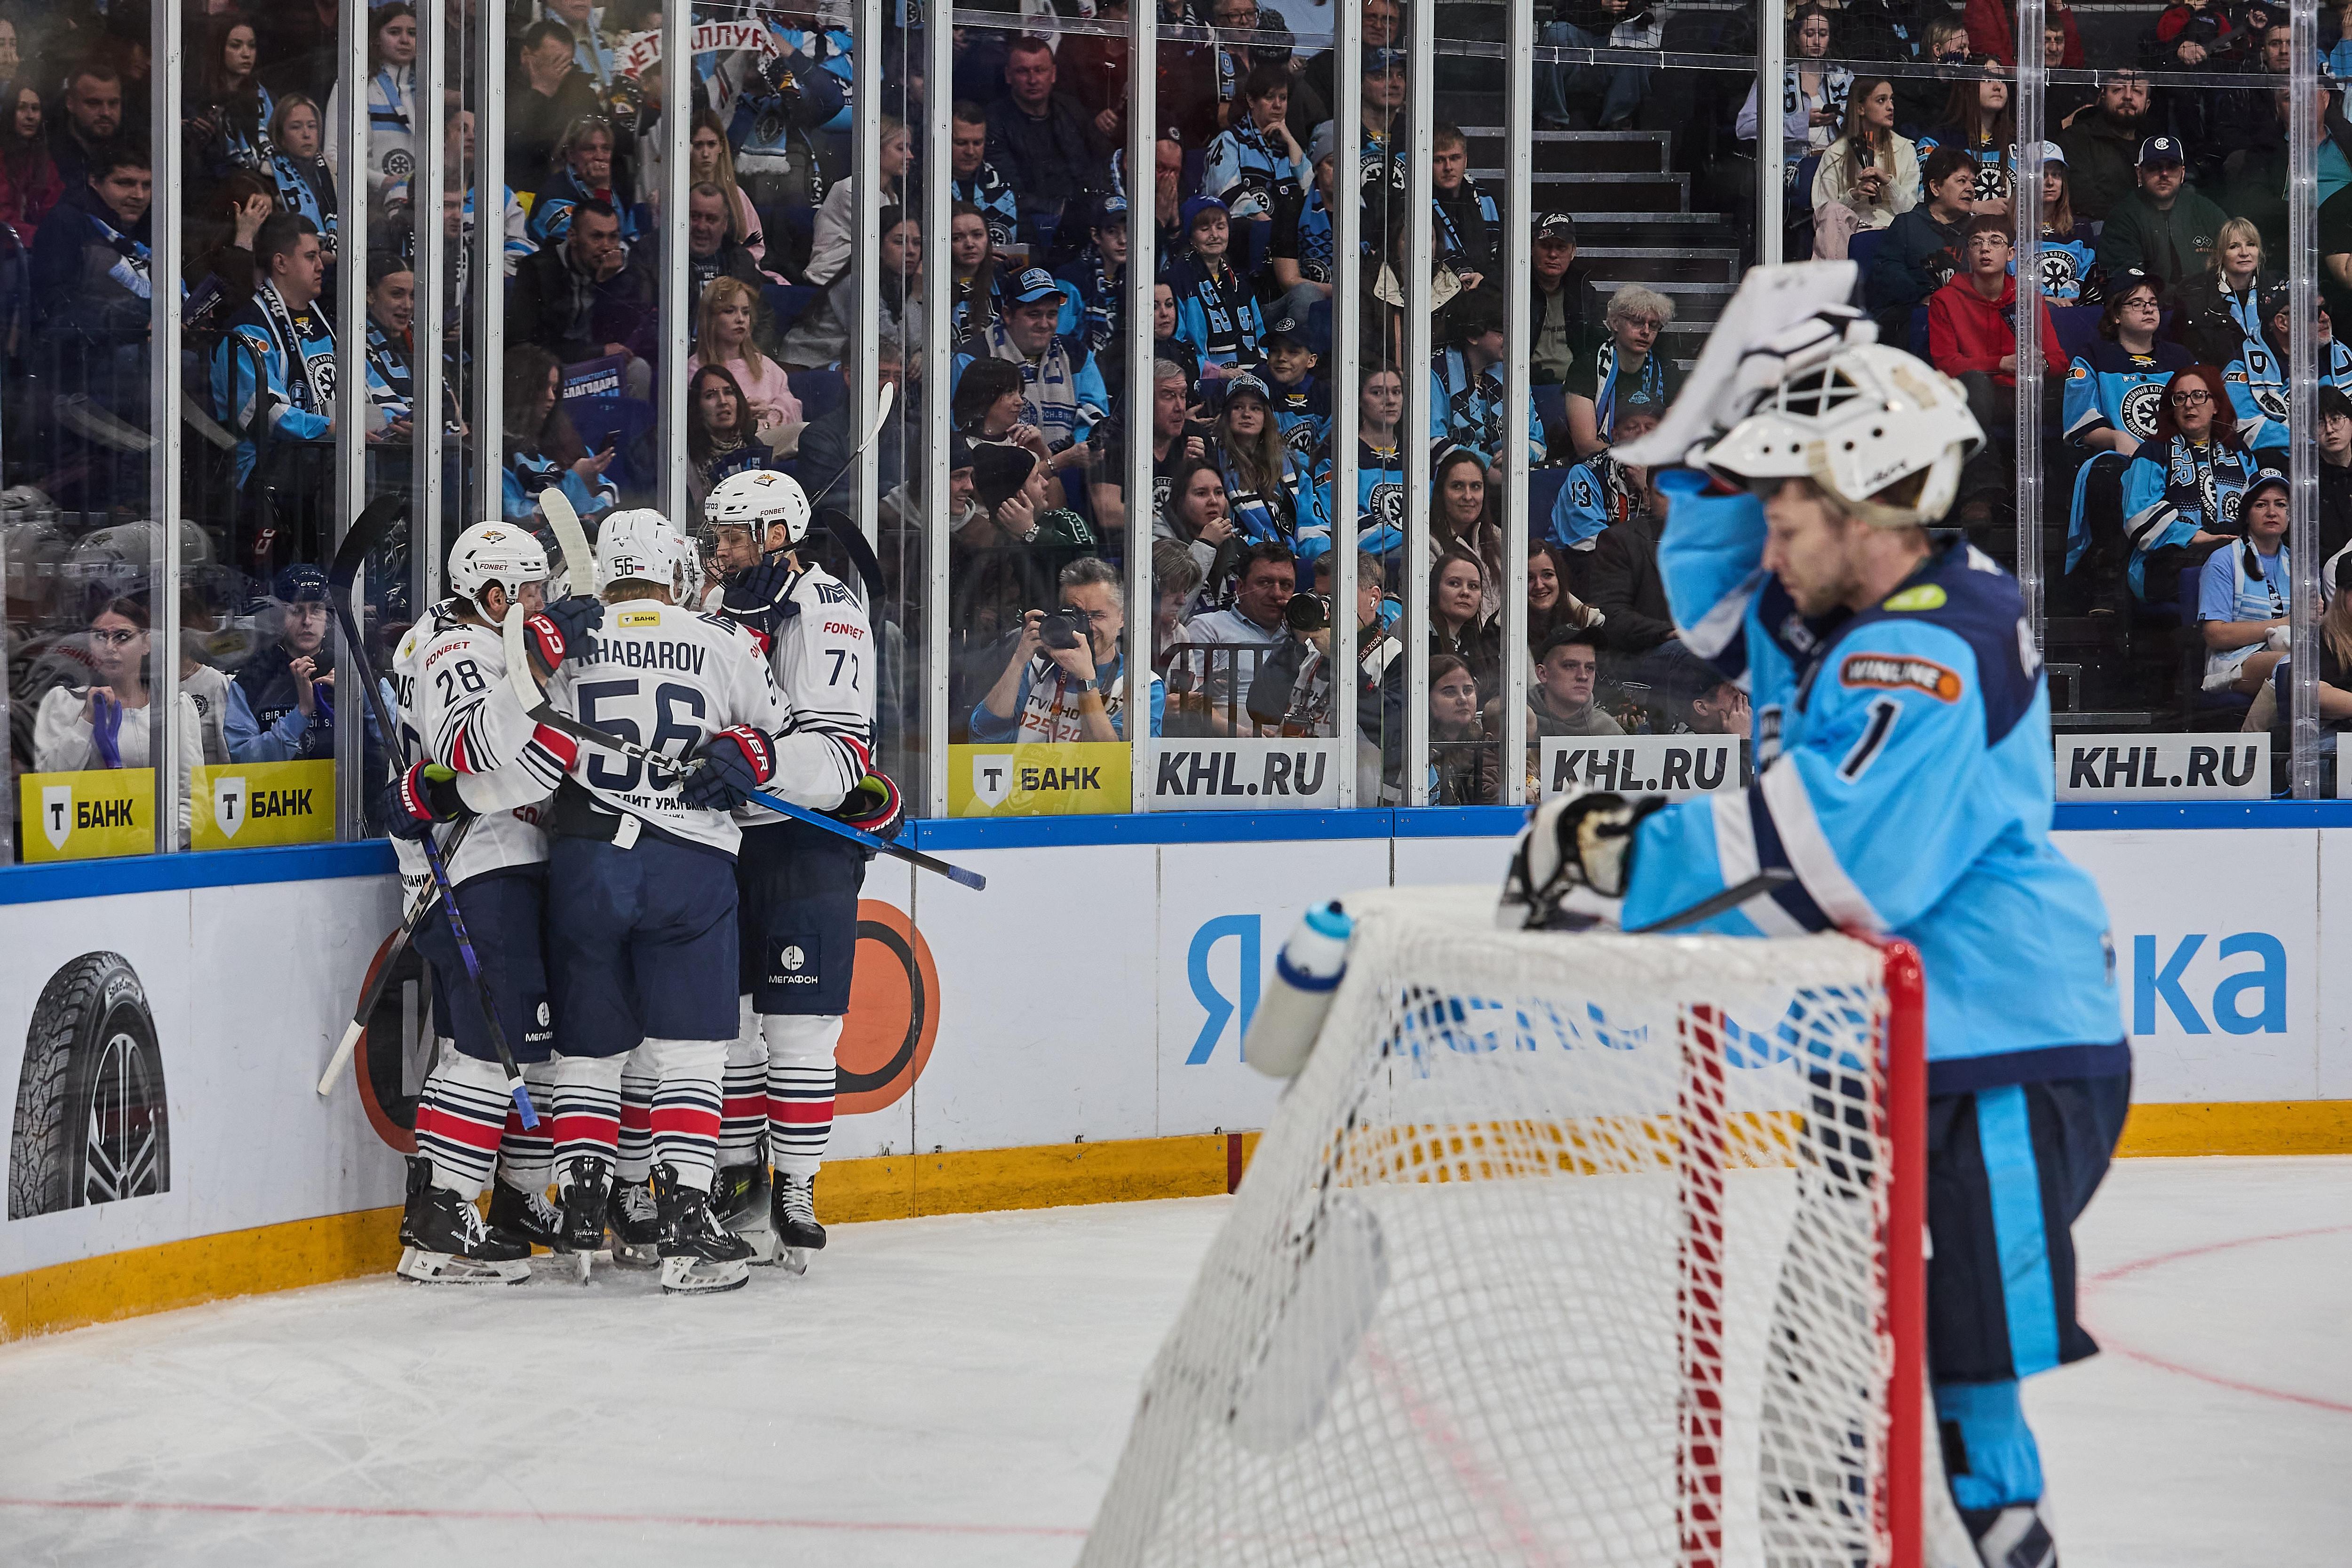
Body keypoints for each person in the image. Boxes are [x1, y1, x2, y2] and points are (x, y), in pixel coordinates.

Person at [1506, 311, 2124, 1568]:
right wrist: (1724, 430)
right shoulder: (1836, 597)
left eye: (1787, 521)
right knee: (1834, 1363)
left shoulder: (1935, 637)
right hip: (1886, 1048)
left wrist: (1613, 857)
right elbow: (1709, 585)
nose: (1767, 547)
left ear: (1868, 512)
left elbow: (1835, 863)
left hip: (1999, 1051)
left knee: (1962, 1375)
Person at [527, 509, 810, 1296]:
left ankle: (582, 1215)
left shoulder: (570, 639)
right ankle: (685, 1221)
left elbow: (518, 733)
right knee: (690, 1053)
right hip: (689, 861)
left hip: (586, 857)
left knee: (589, 1048)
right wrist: (747, 750)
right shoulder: (721, 640)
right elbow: (779, 737)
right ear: (673, 570)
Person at [690, 471, 898, 1268]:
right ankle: (739, 1176)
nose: (720, 549)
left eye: (734, 535)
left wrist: (760, 760)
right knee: (732, 1024)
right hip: (719, 839)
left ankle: (798, 1186)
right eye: (718, 535)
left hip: (803, 843)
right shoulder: (716, 605)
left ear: (778, 535)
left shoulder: (827, 610)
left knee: (802, 1029)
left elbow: (842, 754)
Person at [378, 523, 580, 1283]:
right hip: (473, 868)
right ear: (494, 596)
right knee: (489, 1050)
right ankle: (442, 1221)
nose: (542, 601)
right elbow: (471, 750)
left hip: (499, 863)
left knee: (518, 1042)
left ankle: (514, 1200)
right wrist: (539, 661)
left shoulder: (472, 637)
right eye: (531, 590)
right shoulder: (456, 650)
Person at [30, 595, 203, 843]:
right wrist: (87, 720)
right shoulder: (64, 703)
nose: (109, 647)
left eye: (122, 636)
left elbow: (192, 798)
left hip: (154, 851)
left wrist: (156, 840)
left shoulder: (175, 708)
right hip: (83, 847)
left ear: (146, 644)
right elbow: (48, 786)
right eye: (100, 636)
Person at [2061, 270, 2194, 578]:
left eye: (2153, 303)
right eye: (2137, 304)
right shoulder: (2094, 356)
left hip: (2177, 456)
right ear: (2116, 315)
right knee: (2107, 471)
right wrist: (2117, 438)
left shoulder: (2180, 358)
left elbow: (2205, 410)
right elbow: (2081, 423)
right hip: (2122, 456)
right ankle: (2108, 573)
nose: (2149, 309)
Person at [973, 554, 1165, 743]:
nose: (1087, 627)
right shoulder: (1038, 667)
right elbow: (984, 737)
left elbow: (1111, 760)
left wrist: (1086, 680)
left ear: (1122, 618)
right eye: (1077, 616)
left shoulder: (1142, 685)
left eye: (1098, 616)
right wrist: (1019, 660)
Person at [213, 214, 336, 490]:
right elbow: (263, 414)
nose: (321, 266)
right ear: (280, 263)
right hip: (261, 475)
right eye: (311, 257)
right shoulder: (248, 328)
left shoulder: (328, 324)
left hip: (321, 459)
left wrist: (390, 426)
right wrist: (330, 428)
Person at [2120, 364, 2254, 601]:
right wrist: (2196, 536)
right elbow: (2137, 517)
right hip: (2165, 559)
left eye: (2199, 396)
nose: (2189, 405)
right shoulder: (2153, 452)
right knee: (2227, 559)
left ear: (2216, 405)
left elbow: (2258, 501)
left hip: (2233, 547)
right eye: (2180, 398)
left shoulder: (2239, 451)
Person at [1928, 216, 2068, 440]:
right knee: (1975, 385)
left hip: (2027, 392)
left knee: (2072, 385)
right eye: (1977, 243)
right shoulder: (1945, 300)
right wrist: (2002, 363)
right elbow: (1947, 364)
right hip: (1982, 394)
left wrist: (2041, 364)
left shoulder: (2029, 299)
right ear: (1969, 254)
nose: (1985, 249)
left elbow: (2059, 359)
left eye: (1995, 242)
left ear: (2011, 254)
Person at [952, 266, 1105, 469]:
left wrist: (1076, 452)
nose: (1044, 324)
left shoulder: (1078, 355)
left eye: (1052, 314)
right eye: (1034, 314)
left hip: (1069, 474)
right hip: (992, 475)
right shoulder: (972, 358)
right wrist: (1055, 462)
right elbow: (958, 430)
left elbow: (1095, 420)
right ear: (1007, 314)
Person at [508, 200, 654, 395]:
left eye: (613, 237)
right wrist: (595, 352)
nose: (606, 246)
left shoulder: (621, 272)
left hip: (596, 370)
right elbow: (527, 344)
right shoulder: (539, 269)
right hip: (550, 369)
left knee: (639, 369)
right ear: (573, 237)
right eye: (597, 237)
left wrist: (609, 285)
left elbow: (625, 338)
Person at [986, 35, 1114, 235]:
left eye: (1040, 70)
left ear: (1053, 74)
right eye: (1023, 71)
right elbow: (1009, 193)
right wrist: (1063, 210)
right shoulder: (994, 121)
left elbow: (1103, 162)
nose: (1033, 80)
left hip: (1085, 219)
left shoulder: (1071, 109)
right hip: (1030, 227)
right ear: (1008, 76)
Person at [1214, 370, 1330, 579]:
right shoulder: (1215, 461)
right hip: (1249, 566)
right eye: (1238, 407)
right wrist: (1277, 558)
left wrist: (1323, 558)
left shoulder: (1290, 464)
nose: (1247, 414)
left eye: (1256, 408)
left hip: (1297, 562)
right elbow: (1228, 531)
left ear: (1266, 417)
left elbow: (1311, 523)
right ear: (1226, 415)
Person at [784, 206, 923, 369]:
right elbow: (891, 347)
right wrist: (916, 297)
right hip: (805, 369)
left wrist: (922, 354)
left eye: (917, 243)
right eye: (900, 242)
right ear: (877, 246)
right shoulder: (857, 284)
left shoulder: (901, 282)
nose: (911, 251)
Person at [2223, 285, 2352, 458]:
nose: (2325, 318)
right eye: (2314, 313)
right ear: (2283, 323)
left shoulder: (2339, 354)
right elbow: (2246, 427)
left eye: (2325, 309)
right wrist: (2314, 447)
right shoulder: (2241, 365)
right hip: (2280, 466)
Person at [227, 564, 338, 763]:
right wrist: (301, 713)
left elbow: (386, 737)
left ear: (328, 618)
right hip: (275, 784)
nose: (307, 621)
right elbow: (243, 759)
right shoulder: (252, 679)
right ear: (278, 617)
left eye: (316, 610)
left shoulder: (352, 671)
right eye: (296, 611)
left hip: (341, 784)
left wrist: (360, 698)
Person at [1176, 541, 1297, 722]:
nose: (1277, 594)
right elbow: (1190, 703)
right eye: (1265, 583)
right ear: (1241, 588)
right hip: (1226, 734)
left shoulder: (1303, 639)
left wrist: (1299, 636)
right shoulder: (1208, 627)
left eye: (1286, 585)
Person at [1736, 6, 1851, 195]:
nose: (1817, 41)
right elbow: (1745, 126)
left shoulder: (1844, 77)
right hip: (1791, 169)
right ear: (1796, 38)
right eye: (1809, 34)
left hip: (1839, 168)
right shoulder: (1775, 77)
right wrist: (1803, 122)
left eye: (1823, 34)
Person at [2095, 135, 2229, 298]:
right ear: (2140, 173)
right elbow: (2124, 276)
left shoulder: (2206, 209)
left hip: (2211, 302)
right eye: (2154, 167)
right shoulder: (2123, 216)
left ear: (2183, 173)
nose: (2164, 173)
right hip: (2151, 305)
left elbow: (2235, 251)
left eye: (2172, 167)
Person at [1867, 146, 1974, 346]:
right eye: (1962, 181)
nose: (1970, 188)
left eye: (1972, 183)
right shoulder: (1907, 224)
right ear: (1935, 187)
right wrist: (1926, 296)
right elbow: (1888, 274)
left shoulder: (1977, 232)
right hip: (1915, 321)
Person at [2199, 469, 2292, 697]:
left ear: (2291, 515)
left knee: (2314, 664)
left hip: (2289, 650)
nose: (2272, 512)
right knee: (2298, 667)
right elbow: (2215, 635)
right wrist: (2284, 623)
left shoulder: (2299, 563)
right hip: (2235, 661)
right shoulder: (2223, 560)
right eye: (2261, 505)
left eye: (2281, 505)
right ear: (2247, 515)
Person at [501, 343, 618, 524]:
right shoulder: (499, 455)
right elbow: (516, 514)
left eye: (555, 389)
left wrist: (594, 515)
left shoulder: (569, 442)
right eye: (543, 388)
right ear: (520, 390)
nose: (551, 397)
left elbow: (609, 491)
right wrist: (577, 480)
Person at [1563, 285, 1681, 459]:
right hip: (1598, 466)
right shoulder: (1585, 369)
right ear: (1615, 323)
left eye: (1653, 325)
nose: (1646, 332)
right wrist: (1636, 459)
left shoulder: (1667, 370)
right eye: (1637, 322)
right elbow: (1585, 446)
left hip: (1652, 465)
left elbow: (1675, 437)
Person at [1431, 289, 1546, 467]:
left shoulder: (1514, 373)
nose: (1511, 338)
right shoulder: (1435, 371)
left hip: (1512, 477)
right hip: (1453, 479)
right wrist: (1485, 467)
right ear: (1473, 335)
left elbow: (1537, 443)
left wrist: (1518, 456)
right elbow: (1432, 442)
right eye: (1502, 331)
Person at [1811, 77, 1919, 262]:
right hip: (1847, 235)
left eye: (1892, 100)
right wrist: (1853, 196)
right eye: (1881, 100)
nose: (1891, 107)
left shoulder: (1905, 149)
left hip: (1892, 232)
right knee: (1832, 213)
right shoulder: (1836, 153)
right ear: (1860, 108)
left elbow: (1912, 212)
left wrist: (1890, 184)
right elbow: (1822, 215)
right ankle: (1835, 278)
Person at [324, 2, 417, 206]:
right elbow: (333, 157)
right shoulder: (354, 85)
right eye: (394, 32)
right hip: (366, 206)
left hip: (420, 205)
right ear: (376, 39)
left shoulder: (430, 93)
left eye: (412, 33)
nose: (405, 40)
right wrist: (380, 181)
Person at [1164, 195, 1263, 382]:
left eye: (1221, 227)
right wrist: (1216, 373)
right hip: (1202, 383)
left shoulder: (1239, 283)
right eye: (1205, 229)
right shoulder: (1178, 280)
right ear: (1190, 235)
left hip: (1248, 382)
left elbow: (1261, 337)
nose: (1215, 235)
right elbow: (1176, 344)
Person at [1489, 627, 1625, 763]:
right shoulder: (1518, 725)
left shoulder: (1608, 729)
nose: (1583, 676)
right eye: (1570, 666)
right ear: (1542, 674)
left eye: (1590, 668)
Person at [689, 276, 801, 439]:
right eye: (730, 311)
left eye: (746, 312)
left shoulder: (766, 365)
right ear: (711, 319)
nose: (741, 319)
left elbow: (793, 412)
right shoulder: (695, 368)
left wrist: (769, 414)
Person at [806, 114, 910, 288]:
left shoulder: (891, 197)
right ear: (876, 150)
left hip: (863, 285)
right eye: (901, 148)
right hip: (828, 286)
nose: (910, 156)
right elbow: (883, 243)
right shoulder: (852, 190)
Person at [1203, 60, 1305, 225]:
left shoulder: (1288, 145)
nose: (1278, 105)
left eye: (1283, 98)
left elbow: (1313, 192)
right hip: (1249, 235)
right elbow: (1225, 192)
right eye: (1270, 97)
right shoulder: (1230, 140)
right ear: (1251, 101)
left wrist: (1291, 140)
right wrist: (1268, 228)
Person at [507, 19, 601, 190]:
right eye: (554, 62)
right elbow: (513, 146)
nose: (561, 72)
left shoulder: (580, 92)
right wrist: (541, 92)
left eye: (567, 64)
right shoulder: (502, 86)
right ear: (526, 57)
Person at [526, 115, 640, 253]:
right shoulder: (555, 195)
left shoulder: (618, 191)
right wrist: (602, 188)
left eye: (606, 149)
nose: (599, 156)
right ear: (571, 155)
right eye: (590, 149)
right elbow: (590, 251)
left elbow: (633, 238)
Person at [2057, 69, 2153, 224]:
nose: (2128, 96)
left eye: (2137, 91)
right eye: (2118, 89)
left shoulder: (2151, 147)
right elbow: (2082, 197)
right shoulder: (2078, 138)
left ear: (2147, 104)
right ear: (2103, 97)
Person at [1917, 64, 2016, 215]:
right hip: (1952, 228)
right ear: (1967, 87)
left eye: (2002, 79)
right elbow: (1925, 196)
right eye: (1987, 80)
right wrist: (1976, 207)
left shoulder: (2021, 142)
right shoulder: (1937, 142)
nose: (1998, 86)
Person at [1431, 445, 1507, 625]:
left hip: (1501, 639)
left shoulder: (1498, 536)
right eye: (1457, 486)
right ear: (1441, 492)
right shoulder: (1425, 543)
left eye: (1476, 487)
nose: (1468, 496)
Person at [688, 109, 771, 275]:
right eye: (698, 145)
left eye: (711, 144)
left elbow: (756, 245)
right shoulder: (675, 195)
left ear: (721, 146)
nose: (705, 153)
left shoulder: (738, 196)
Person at [1156, 454, 1242, 606]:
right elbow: (1173, 609)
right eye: (1201, 493)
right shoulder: (1157, 541)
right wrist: (1206, 545)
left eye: (1219, 492)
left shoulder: (1236, 545)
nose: (1213, 501)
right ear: (1179, 500)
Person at [1530, 212, 1601, 388]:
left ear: (1573, 252)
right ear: (1532, 248)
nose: (1553, 254)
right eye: (1545, 246)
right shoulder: (1515, 287)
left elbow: (1596, 345)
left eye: (1561, 247)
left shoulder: (1583, 291)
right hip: (1527, 386)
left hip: (1575, 388)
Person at [265, 94, 338, 257]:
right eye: (296, 127)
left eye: (312, 126)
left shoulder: (336, 175)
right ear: (281, 137)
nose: (307, 134)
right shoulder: (268, 179)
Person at [2031, 146, 2099, 303]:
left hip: (2073, 308)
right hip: (2030, 310)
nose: (2050, 182)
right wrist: (2047, 300)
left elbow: (2088, 273)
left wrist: (2066, 297)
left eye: (2056, 175)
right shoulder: (2013, 228)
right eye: (2042, 175)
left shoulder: (2081, 227)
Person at [1426, 652, 1497, 804]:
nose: (1463, 699)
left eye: (1468, 690)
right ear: (1426, 697)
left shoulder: (1488, 746)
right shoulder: (1418, 756)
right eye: (1449, 692)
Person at [1429, 547, 1500, 695]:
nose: (1466, 592)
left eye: (1473, 586)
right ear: (1434, 589)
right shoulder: (1414, 630)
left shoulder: (1477, 647)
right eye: (1454, 584)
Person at [948, 102, 1019, 248]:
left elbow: (1028, 240)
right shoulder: (926, 185)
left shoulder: (1005, 182)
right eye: (961, 143)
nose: (970, 152)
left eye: (977, 143)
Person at [0, 84, 63, 247]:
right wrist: (41, 237)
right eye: (22, 108)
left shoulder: (43, 160)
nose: (30, 116)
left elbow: (54, 205)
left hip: (35, 246)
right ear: (10, 113)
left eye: (35, 109)